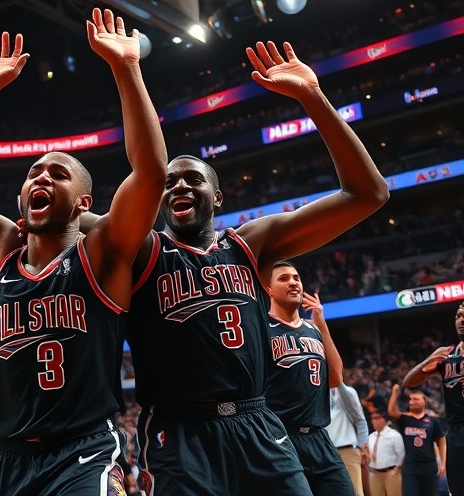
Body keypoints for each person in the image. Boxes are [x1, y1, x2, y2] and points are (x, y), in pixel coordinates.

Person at [74, 40, 388, 494]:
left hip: (258, 421)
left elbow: (368, 194)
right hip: (179, 430)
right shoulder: (139, 248)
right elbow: (53, 218)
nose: (178, 185)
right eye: (168, 182)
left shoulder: (251, 244)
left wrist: (312, 98)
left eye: (193, 179)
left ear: (217, 198)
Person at [0, 8, 168, 494]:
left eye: (57, 173)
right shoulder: (0, 252)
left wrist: (127, 68)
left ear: (83, 202)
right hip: (8, 457)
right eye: (34, 172)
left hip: (82, 453)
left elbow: (150, 175)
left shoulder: (104, 252)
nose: (41, 177)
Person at [264, 261, 353, 495]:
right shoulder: (262, 328)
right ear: (269, 289)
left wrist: (323, 326)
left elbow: (335, 378)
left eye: (296, 278)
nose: (293, 282)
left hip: (319, 437)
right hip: (280, 438)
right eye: (283, 278)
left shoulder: (313, 330)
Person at [402, 301, 464, 496]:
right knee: (461, 491)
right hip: (456, 432)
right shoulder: (447, 354)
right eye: (457, 316)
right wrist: (428, 360)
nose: (461, 319)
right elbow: (409, 382)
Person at [387, 385, 446, 496]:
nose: (413, 402)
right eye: (411, 399)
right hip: (410, 466)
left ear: (424, 402)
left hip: (429, 466)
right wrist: (395, 393)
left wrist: (443, 463)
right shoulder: (404, 419)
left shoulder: (432, 421)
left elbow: (441, 442)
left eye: (416, 399)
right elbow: (392, 411)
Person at [328, 383, 371, 496]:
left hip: (347, 450)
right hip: (326, 451)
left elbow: (360, 420)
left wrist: (363, 446)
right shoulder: (318, 392)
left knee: (354, 491)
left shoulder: (348, 392)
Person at [367, 411, 404, 496]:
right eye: (373, 419)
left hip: (391, 472)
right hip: (374, 472)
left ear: (385, 420)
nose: (375, 421)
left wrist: (397, 468)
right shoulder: (370, 437)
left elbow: (401, 453)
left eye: (378, 418)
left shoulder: (394, 435)